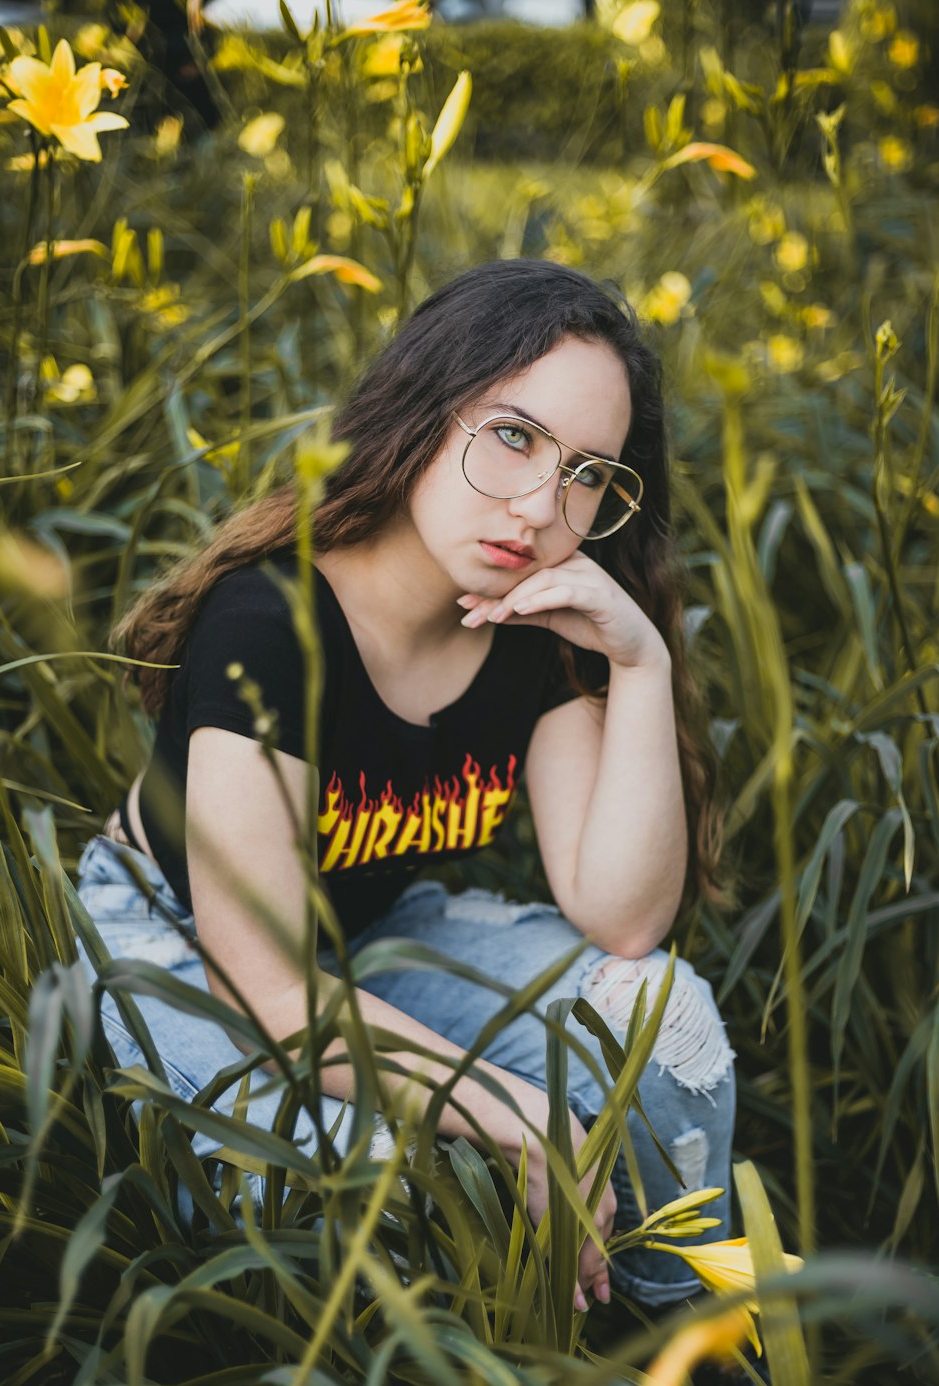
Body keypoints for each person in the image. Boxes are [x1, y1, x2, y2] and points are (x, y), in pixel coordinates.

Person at [76, 258, 735, 1316]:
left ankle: (689, 1332)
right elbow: (277, 995)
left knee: (663, 1016)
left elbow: (621, 918)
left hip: (374, 938)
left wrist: (640, 664)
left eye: (587, 474)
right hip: (189, 949)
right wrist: (517, 1112)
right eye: (513, 436)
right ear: (425, 413)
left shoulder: (529, 618)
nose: (539, 505)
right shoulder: (269, 620)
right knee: (365, 1182)